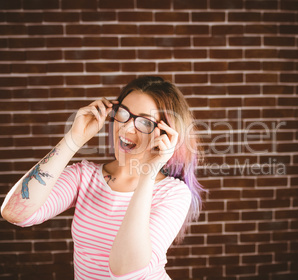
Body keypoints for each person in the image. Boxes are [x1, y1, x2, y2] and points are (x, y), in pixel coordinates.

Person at [1, 76, 204, 279]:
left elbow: (125, 271)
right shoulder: (84, 177)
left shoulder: (173, 193)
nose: (126, 128)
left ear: (166, 135)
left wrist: (148, 174)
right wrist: (74, 139)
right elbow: (15, 212)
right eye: (123, 113)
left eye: (144, 122)